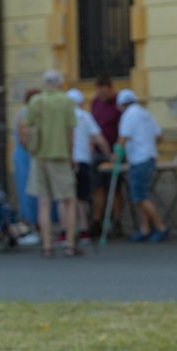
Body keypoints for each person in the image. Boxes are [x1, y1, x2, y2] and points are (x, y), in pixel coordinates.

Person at [25, 70, 80, 257]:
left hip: (39, 157)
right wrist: (72, 155)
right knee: (69, 201)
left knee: (44, 203)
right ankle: (70, 245)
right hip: (60, 156)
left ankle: (47, 246)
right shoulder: (66, 102)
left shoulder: (36, 101)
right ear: (60, 83)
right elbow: (70, 132)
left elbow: (27, 127)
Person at [116, 89, 168, 242]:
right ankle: (144, 228)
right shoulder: (145, 113)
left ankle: (160, 226)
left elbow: (123, 138)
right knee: (142, 194)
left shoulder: (128, 115)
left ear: (121, 105)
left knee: (139, 197)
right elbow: (159, 136)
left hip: (138, 159)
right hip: (149, 157)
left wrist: (115, 157)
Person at [65, 88, 111, 246]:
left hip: (66, 160)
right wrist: (109, 156)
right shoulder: (85, 116)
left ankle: (67, 231)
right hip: (83, 159)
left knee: (66, 198)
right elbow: (99, 139)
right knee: (82, 197)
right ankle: (84, 229)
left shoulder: (63, 117)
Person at [91, 74, 124, 237]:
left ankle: (117, 221)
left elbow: (123, 129)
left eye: (104, 93)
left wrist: (117, 151)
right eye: (99, 92)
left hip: (114, 153)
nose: (102, 96)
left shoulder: (118, 104)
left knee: (115, 188)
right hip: (98, 153)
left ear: (111, 89)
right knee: (98, 188)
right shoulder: (95, 102)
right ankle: (98, 221)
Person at [12, 87, 42, 246]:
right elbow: (24, 140)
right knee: (27, 192)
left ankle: (34, 224)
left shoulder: (29, 113)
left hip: (30, 156)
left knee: (33, 193)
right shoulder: (25, 114)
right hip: (26, 157)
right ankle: (29, 224)